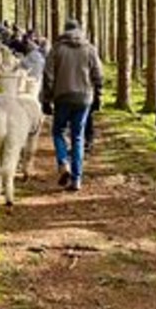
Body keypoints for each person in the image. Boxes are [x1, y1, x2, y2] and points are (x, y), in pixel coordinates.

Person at [42, 19, 103, 191]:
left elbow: (48, 75)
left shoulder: (57, 49)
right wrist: (98, 97)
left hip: (62, 96)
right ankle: (77, 180)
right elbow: (98, 75)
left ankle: (63, 163)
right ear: (80, 30)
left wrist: (46, 99)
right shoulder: (89, 49)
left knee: (58, 131)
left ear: (65, 30)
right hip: (84, 98)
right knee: (78, 137)